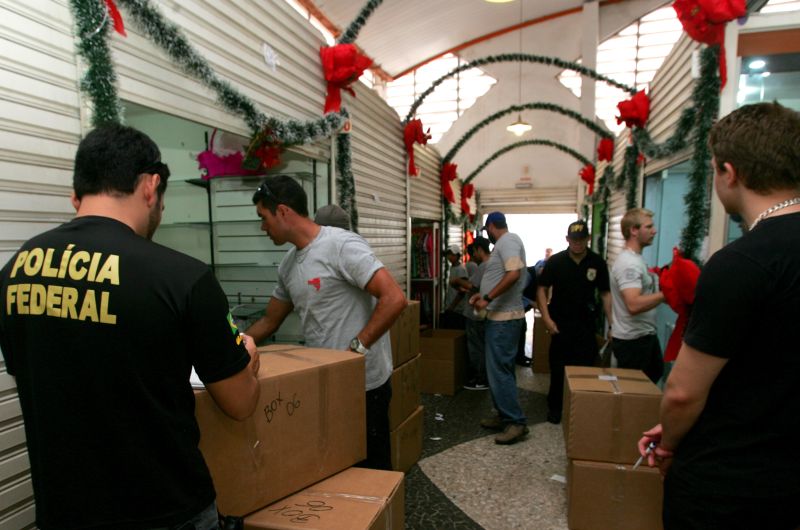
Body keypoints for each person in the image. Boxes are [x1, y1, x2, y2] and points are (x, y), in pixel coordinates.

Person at [0, 124, 261, 530]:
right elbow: (240, 403)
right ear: (151, 185)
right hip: (167, 512)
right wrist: (247, 355)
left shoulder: (15, 271)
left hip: (64, 513)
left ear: (78, 192)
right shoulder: (183, 277)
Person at [637, 103, 800, 530]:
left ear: (729, 172)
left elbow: (683, 394)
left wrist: (669, 441)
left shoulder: (742, 262)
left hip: (732, 483)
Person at [245, 175, 406, 471]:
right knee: (336, 467)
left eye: (263, 217)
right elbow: (269, 321)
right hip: (323, 383)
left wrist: (354, 350)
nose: (262, 227)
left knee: (372, 471)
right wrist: (234, 342)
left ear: (282, 211)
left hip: (364, 385)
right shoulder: (288, 265)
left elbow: (394, 298)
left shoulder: (341, 246)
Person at [536, 220, 612, 424]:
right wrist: (547, 318)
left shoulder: (597, 263)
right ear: (567, 239)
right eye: (573, 239)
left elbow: (605, 293)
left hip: (586, 325)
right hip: (560, 324)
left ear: (587, 239)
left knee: (585, 369)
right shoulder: (556, 262)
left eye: (581, 239)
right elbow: (541, 289)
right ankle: (555, 408)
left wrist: (613, 324)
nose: (577, 243)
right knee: (558, 369)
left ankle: (581, 407)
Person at [469, 212, 529, 445]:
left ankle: (516, 422)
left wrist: (487, 297)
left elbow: (513, 273)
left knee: (499, 371)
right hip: (499, 316)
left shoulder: (508, 241)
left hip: (505, 320)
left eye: (487, 230)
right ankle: (504, 414)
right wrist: (483, 296)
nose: (488, 235)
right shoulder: (505, 243)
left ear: (492, 226)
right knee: (499, 369)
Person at [609, 208, 665, 383]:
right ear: (634, 230)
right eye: (648, 227)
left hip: (642, 337)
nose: (654, 231)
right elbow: (633, 304)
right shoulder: (629, 264)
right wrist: (668, 293)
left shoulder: (636, 259)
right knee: (636, 395)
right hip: (634, 342)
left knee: (652, 378)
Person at [460, 237, 491, 390]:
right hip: (484, 313)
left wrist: (457, 281)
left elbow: (472, 285)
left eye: (474, 251)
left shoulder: (484, 266)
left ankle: (480, 379)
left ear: (479, 249)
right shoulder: (493, 264)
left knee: (476, 347)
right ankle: (484, 377)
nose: (473, 254)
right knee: (482, 346)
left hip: (475, 314)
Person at [440, 244, 468, 330]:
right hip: (452, 308)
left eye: (451, 254)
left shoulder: (461, 270)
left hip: (457, 310)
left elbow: (462, 291)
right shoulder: (453, 267)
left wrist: (452, 306)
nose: (449, 257)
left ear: (457, 255)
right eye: (448, 254)